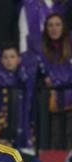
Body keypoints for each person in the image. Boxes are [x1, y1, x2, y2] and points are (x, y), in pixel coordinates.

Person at [0, 43, 38, 148]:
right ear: (1, 60)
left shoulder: (25, 81)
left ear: (19, 59)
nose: (9, 61)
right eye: (5, 57)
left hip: (23, 130)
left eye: (12, 57)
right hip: (2, 132)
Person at [36, 13, 72, 149]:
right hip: (52, 101)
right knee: (55, 139)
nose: (54, 28)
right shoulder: (41, 49)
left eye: (57, 25)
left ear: (63, 27)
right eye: (50, 25)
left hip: (70, 100)